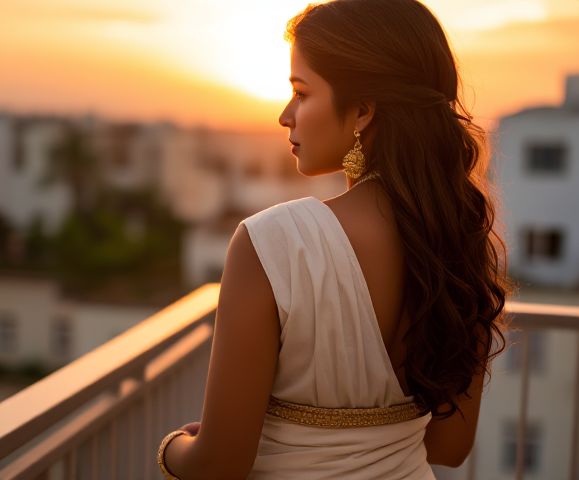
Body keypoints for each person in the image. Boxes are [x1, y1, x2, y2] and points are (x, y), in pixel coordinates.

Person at [157, 0, 509, 478]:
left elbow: (219, 464)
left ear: (363, 110)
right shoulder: (460, 240)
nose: (286, 115)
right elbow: (449, 446)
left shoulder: (271, 244)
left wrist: (173, 447)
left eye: (301, 93)